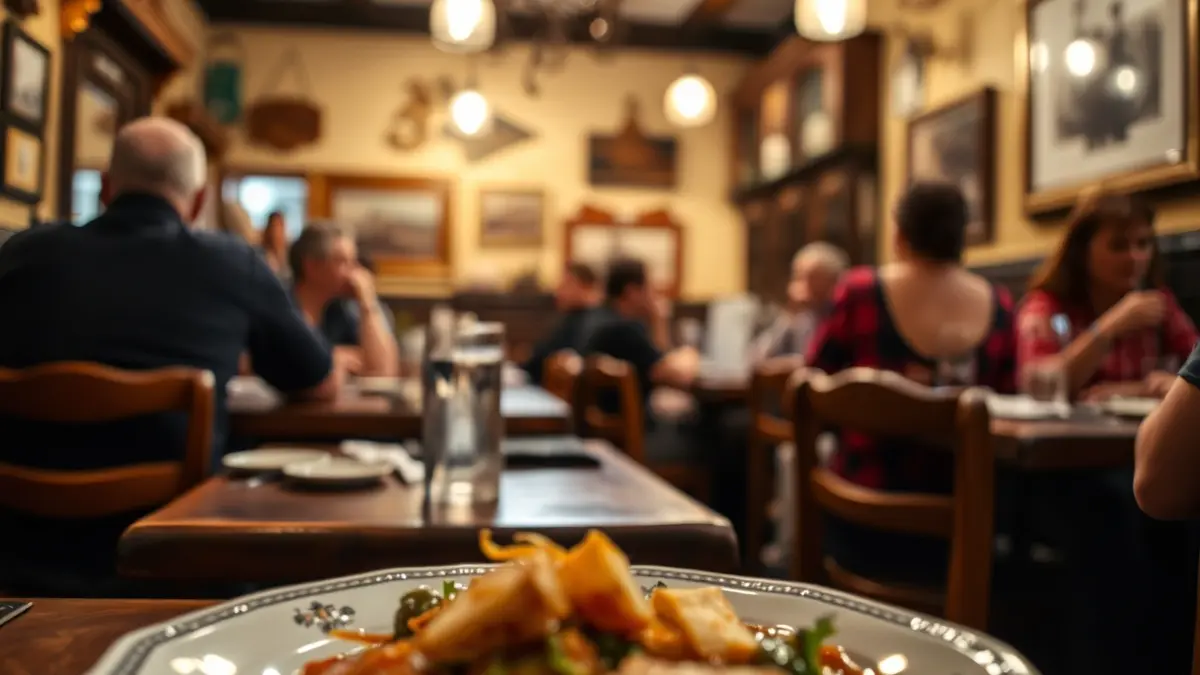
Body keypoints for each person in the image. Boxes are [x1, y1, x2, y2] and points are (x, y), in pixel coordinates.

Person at [0, 117, 337, 590]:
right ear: (198, 200)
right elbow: (317, 379)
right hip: (168, 565)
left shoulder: (22, 255)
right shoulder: (233, 263)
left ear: (103, 187)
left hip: (17, 558)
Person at [804, 181, 1016, 582]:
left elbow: (817, 384)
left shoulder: (861, 290)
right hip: (970, 525)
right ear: (962, 237)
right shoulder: (1000, 302)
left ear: (899, 234)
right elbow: (1009, 401)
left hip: (865, 510)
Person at [1016, 191, 1196, 401]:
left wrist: (1134, 390)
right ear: (1082, 252)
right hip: (1067, 432)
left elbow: (1194, 372)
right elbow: (1038, 386)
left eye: (1143, 244)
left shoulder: (1158, 301)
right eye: (1118, 246)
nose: (1135, 257)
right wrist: (1108, 327)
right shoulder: (1047, 304)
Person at [290, 223, 398, 377]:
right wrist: (331, 357)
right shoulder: (279, 305)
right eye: (342, 262)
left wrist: (368, 304)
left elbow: (384, 371)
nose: (353, 273)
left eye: (353, 262)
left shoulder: (347, 310)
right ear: (312, 265)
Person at [581, 257, 699, 400]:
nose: (654, 293)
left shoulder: (599, 318)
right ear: (632, 291)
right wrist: (690, 353)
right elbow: (678, 376)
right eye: (649, 286)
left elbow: (659, 360)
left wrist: (657, 322)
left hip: (603, 417)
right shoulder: (625, 329)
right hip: (631, 420)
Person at [749, 242, 848, 364]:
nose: (800, 285)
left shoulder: (842, 317)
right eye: (798, 277)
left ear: (832, 281)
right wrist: (789, 315)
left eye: (811, 278)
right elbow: (758, 359)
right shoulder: (798, 318)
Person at [522, 261, 601, 384]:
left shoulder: (594, 324)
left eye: (566, 284)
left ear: (587, 287)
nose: (558, 290)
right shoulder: (569, 319)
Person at [261, 210, 290, 280]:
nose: (276, 231)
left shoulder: (289, 252)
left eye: (280, 225)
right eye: (274, 226)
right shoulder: (262, 254)